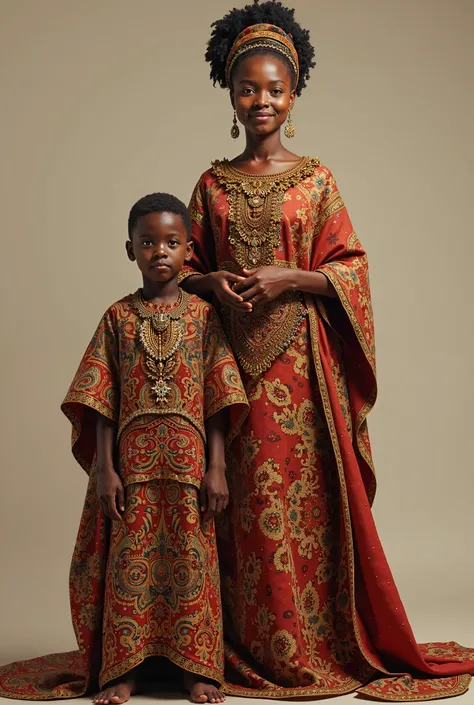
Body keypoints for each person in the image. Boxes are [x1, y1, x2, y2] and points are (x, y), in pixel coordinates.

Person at [178, 1, 474, 701]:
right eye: (249, 87)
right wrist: (209, 281)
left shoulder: (316, 180)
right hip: (228, 366)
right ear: (229, 90)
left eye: (275, 88)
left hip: (302, 368)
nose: (262, 100)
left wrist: (290, 276)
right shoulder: (212, 184)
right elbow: (181, 264)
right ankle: (239, 644)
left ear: (295, 92)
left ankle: (311, 643)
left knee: (301, 505)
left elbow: (351, 267)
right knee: (237, 504)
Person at [0, 193, 248, 704]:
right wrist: (105, 469)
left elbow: (222, 397)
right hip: (131, 468)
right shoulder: (117, 318)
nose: (161, 251)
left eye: (173, 243)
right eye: (148, 242)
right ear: (129, 249)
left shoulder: (205, 318)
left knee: (192, 562)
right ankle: (123, 668)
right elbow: (100, 401)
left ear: (189, 250)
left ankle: (195, 668)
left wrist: (217, 467)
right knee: (127, 565)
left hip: (189, 467)